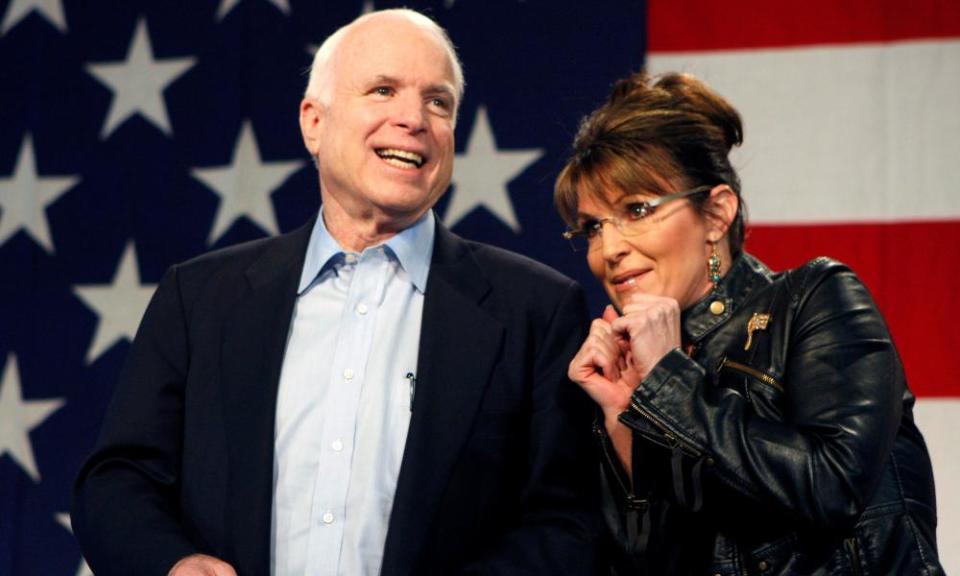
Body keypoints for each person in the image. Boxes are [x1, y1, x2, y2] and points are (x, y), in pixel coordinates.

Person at [72, 9, 599, 576]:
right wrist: (171, 564)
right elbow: (118, 480)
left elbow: (565, 524)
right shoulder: (199, 298)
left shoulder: (535, 310)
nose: (413, 119)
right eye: (382, 90)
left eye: (438, 101)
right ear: (313, 123)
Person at [555, 71, 944, 575]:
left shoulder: (815, 299)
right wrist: (624, 422)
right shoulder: (626, 374)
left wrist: (670, 383)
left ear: (716, 214)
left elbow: (833, 486)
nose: (609, 249)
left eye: (637, 209)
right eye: (592, 227)